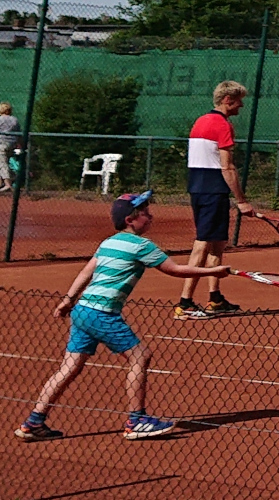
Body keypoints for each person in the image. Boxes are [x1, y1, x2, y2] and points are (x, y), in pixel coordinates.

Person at [15, 191, 230, 442]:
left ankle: (33, 422)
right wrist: (215, 270)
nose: (150, 216)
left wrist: (68, 300)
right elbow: (176, 270)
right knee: (140, 355)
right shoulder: (142, 246)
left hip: (83, 310)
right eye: (145, 213)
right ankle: (136, 420)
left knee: (70, 367)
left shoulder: (108, 242)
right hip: (102, 313)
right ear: (131, 220)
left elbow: (86, 271)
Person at [175, 81, 256, 320]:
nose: (241, 104)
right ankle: (185, 303)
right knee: (202, 243)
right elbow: (227, 167)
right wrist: (241, 201)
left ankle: (215, 299)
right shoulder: (223, 125)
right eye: (239, 100)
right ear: (227, 100)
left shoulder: (200, 121)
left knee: (218, 243)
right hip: (213, 191)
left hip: (199, 188)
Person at [0, 102, 17, 192]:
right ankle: (9, 179)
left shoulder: (0, 119)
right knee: (4, 162)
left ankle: (7, 184)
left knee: (3, 164)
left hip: (1, 144)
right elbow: (19, 133)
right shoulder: (14, 119)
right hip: (12, 144)